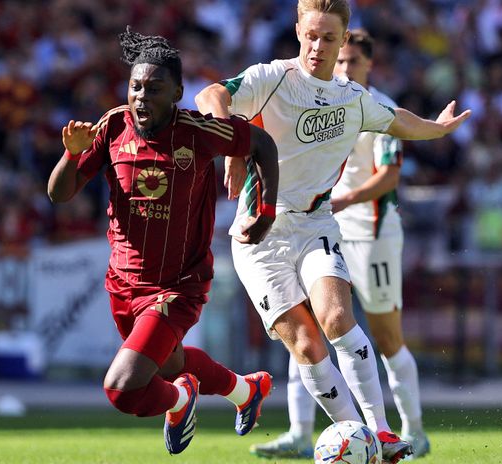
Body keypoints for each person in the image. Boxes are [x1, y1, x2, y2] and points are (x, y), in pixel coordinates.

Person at [195, 2, 470, 462]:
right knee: (305, 344)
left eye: (328, 39)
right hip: (259, 233)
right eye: (311, 36)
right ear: (297, 31)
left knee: (339, 319)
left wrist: (437, 130)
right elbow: (210, 94)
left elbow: (398, 118)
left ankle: (380, 435)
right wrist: (231, 141)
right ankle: (350, 434)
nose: (318, 47)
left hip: (315, 224)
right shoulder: (272, 77)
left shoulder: (353, 98)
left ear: (343, 40)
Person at [46, 29, 280, 455]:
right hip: (123, 284)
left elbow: (262, 143)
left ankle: (180, 399)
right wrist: (71, 154)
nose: (141, 97)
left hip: (177, 286)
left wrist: (265, 210)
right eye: (135, 87)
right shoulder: (113, 127)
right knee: (172, 365)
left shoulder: (196, 131)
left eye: (154, 89)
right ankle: (247, 391)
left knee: (122, 387)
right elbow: (59, 194)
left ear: (177, 93)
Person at [249, 29, 430, 460]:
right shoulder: (319, 99)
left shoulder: (379, 108)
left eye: (353, 62)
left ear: (370, 65)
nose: (344, 68)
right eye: (341, 60)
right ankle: (299, 432)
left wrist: (343, 200)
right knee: (306, 327)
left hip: (371, 233)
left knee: (386, 337)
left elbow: (388, 177)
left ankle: (414, 431)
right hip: (321, 228)